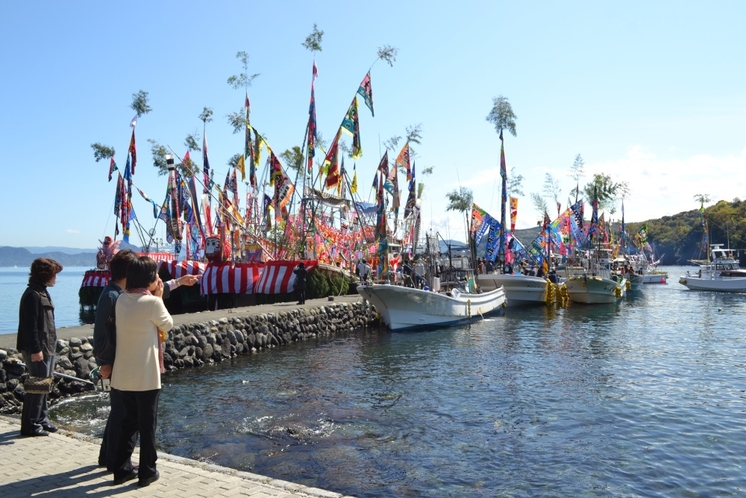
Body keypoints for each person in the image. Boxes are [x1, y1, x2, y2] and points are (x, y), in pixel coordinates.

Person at [111, 256, 173, 487]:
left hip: (123, 373)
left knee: (128, 423)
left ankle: (121, 469)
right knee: (148, 426)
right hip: (146, 375)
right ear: (150, 278)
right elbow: (167, 325)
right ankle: (147, 471)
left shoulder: (121, 300)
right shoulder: (152, 303)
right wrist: (158, 296)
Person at [93, 249, 138, 471]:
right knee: (122, 412)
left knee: (118, 411)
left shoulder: (117, 292)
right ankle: (115, 460)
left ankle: (107, 456)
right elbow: (101, 333)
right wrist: (105, 362)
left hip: (118, 359)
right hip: (115, 360)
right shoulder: (111, 296)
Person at [16, 258, 63, 437]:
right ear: (45, 275)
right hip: (38, 348)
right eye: (54, 275)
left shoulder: (41, 292)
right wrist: (35, 350)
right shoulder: (32, 295)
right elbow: (31, 326)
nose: (56, 279)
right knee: (36, 386)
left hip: (47, 347)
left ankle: (41, 419)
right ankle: (30, 424)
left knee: (44, 385)